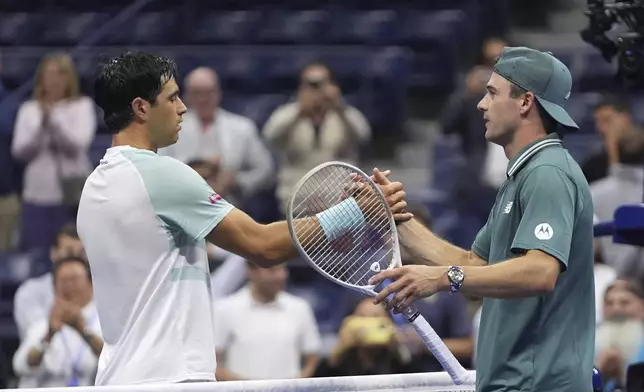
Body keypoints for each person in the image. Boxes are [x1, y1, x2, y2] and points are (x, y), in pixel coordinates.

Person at [77, 51, 411, 386]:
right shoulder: (163, 174)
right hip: (171, 379)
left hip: (117, 379)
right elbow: (263, 247)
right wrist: (355, 211)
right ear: (141, 108)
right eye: (173, 97)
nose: (183, 108)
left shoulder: (92, 189)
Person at [370, 47, 596, 392]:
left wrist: (444, 278)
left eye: (492, 93)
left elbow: (540, 271)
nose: (480, 104)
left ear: (525, 102)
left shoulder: (548, 172)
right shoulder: (523, 176)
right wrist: (391, 216)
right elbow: (473, 263)